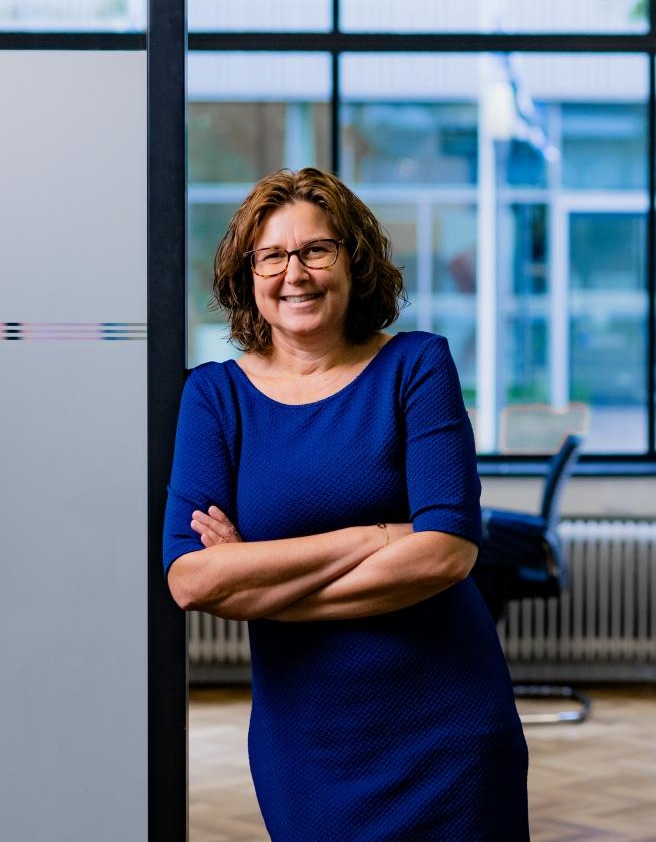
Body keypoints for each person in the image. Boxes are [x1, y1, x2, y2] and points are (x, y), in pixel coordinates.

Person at [162, 166, 530, 841]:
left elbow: (447, 552)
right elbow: (190, 579)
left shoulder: (417, 366)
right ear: (248, 274)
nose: (293, 273)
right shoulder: (214, 398)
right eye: (271, 255)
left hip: (447, 734)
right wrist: (377, 538)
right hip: (306, 744)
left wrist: (254, 573)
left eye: (316, 250)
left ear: (353, 262)